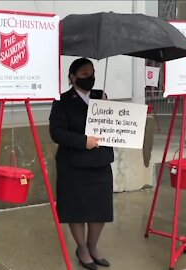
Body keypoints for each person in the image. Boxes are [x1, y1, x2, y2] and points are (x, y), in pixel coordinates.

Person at [49, 58, 114, 270]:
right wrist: (82, 141)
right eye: (85, 74)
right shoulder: (62, 100)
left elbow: (112, 125)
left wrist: (108, 108)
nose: (90, 77)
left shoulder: (100, 96)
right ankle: (81, 248)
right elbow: (56, 132)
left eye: (92, 73)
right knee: (76, 209)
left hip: (100, 162)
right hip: (73, 164)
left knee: (100, 208)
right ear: (73, 77)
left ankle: (92, 246)